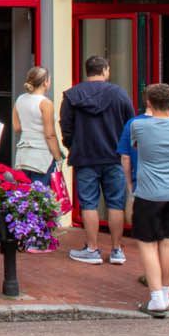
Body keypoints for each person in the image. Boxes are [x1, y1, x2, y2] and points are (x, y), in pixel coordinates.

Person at [119, 85, 169, 318]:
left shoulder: (137, 125)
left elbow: (127, 157)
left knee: (147, 243)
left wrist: (131, 186)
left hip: (149, 192)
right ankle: (165, 291)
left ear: (148, 103)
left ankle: (156, 299)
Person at [60, 56, 135, 266]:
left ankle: (92, 248)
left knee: (89, 204)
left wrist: (72, 145)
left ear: (87, 71)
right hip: (114, 156)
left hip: (85, 156)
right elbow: (130, 124)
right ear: (105, 70)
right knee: (115, 204)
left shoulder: (73, 95)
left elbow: (66, 126)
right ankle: (117, 249)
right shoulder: (119, 94)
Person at [11, 66, 63, 182]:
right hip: (42, 157)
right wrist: (58, 158)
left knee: (26, 195)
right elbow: (49, 134)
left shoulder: (20, 99)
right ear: (45, 82)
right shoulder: (45, 103)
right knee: (42, 195)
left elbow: (17, 127)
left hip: (23, 154)